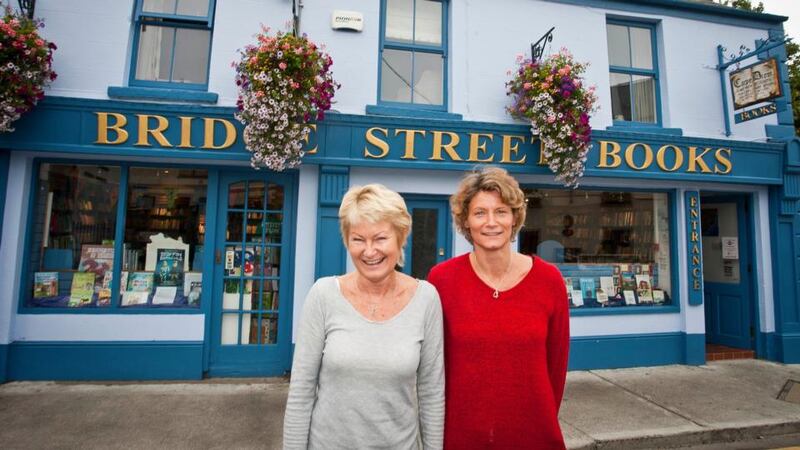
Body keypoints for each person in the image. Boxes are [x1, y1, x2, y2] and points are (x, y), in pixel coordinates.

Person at [283, 184, 445, 450]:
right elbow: (301, 392)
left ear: (401, 237)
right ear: (347, 241)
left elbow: (431, 393)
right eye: (358, 239)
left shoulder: (426, 298)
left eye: (380, 238)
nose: (369, 251)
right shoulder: (323, 295)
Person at [427, 167, 570, 449]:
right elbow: (434, 367)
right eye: (480, 213)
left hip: (533, 435)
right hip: (461, 437)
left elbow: (557, 367)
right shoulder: (441, 280)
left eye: (501, 211)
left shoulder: (548, 280)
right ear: (466, 221)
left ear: (515, 218)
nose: (491, 222)